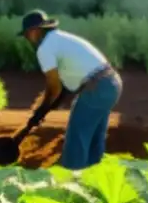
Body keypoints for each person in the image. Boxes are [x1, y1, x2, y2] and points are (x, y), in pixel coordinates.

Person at [18, 10, 121, 170]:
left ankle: (71, 182)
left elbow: (54, 87)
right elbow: (64, 88)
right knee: (94, 138)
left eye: (26, 35)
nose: (27, 39)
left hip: (96, 88)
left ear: (34, 31)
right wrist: (44, 110)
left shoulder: (45, 48)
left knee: (76, 139)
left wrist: (42, 109)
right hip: (111, 84)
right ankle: (95, 179)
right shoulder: (61, 38)